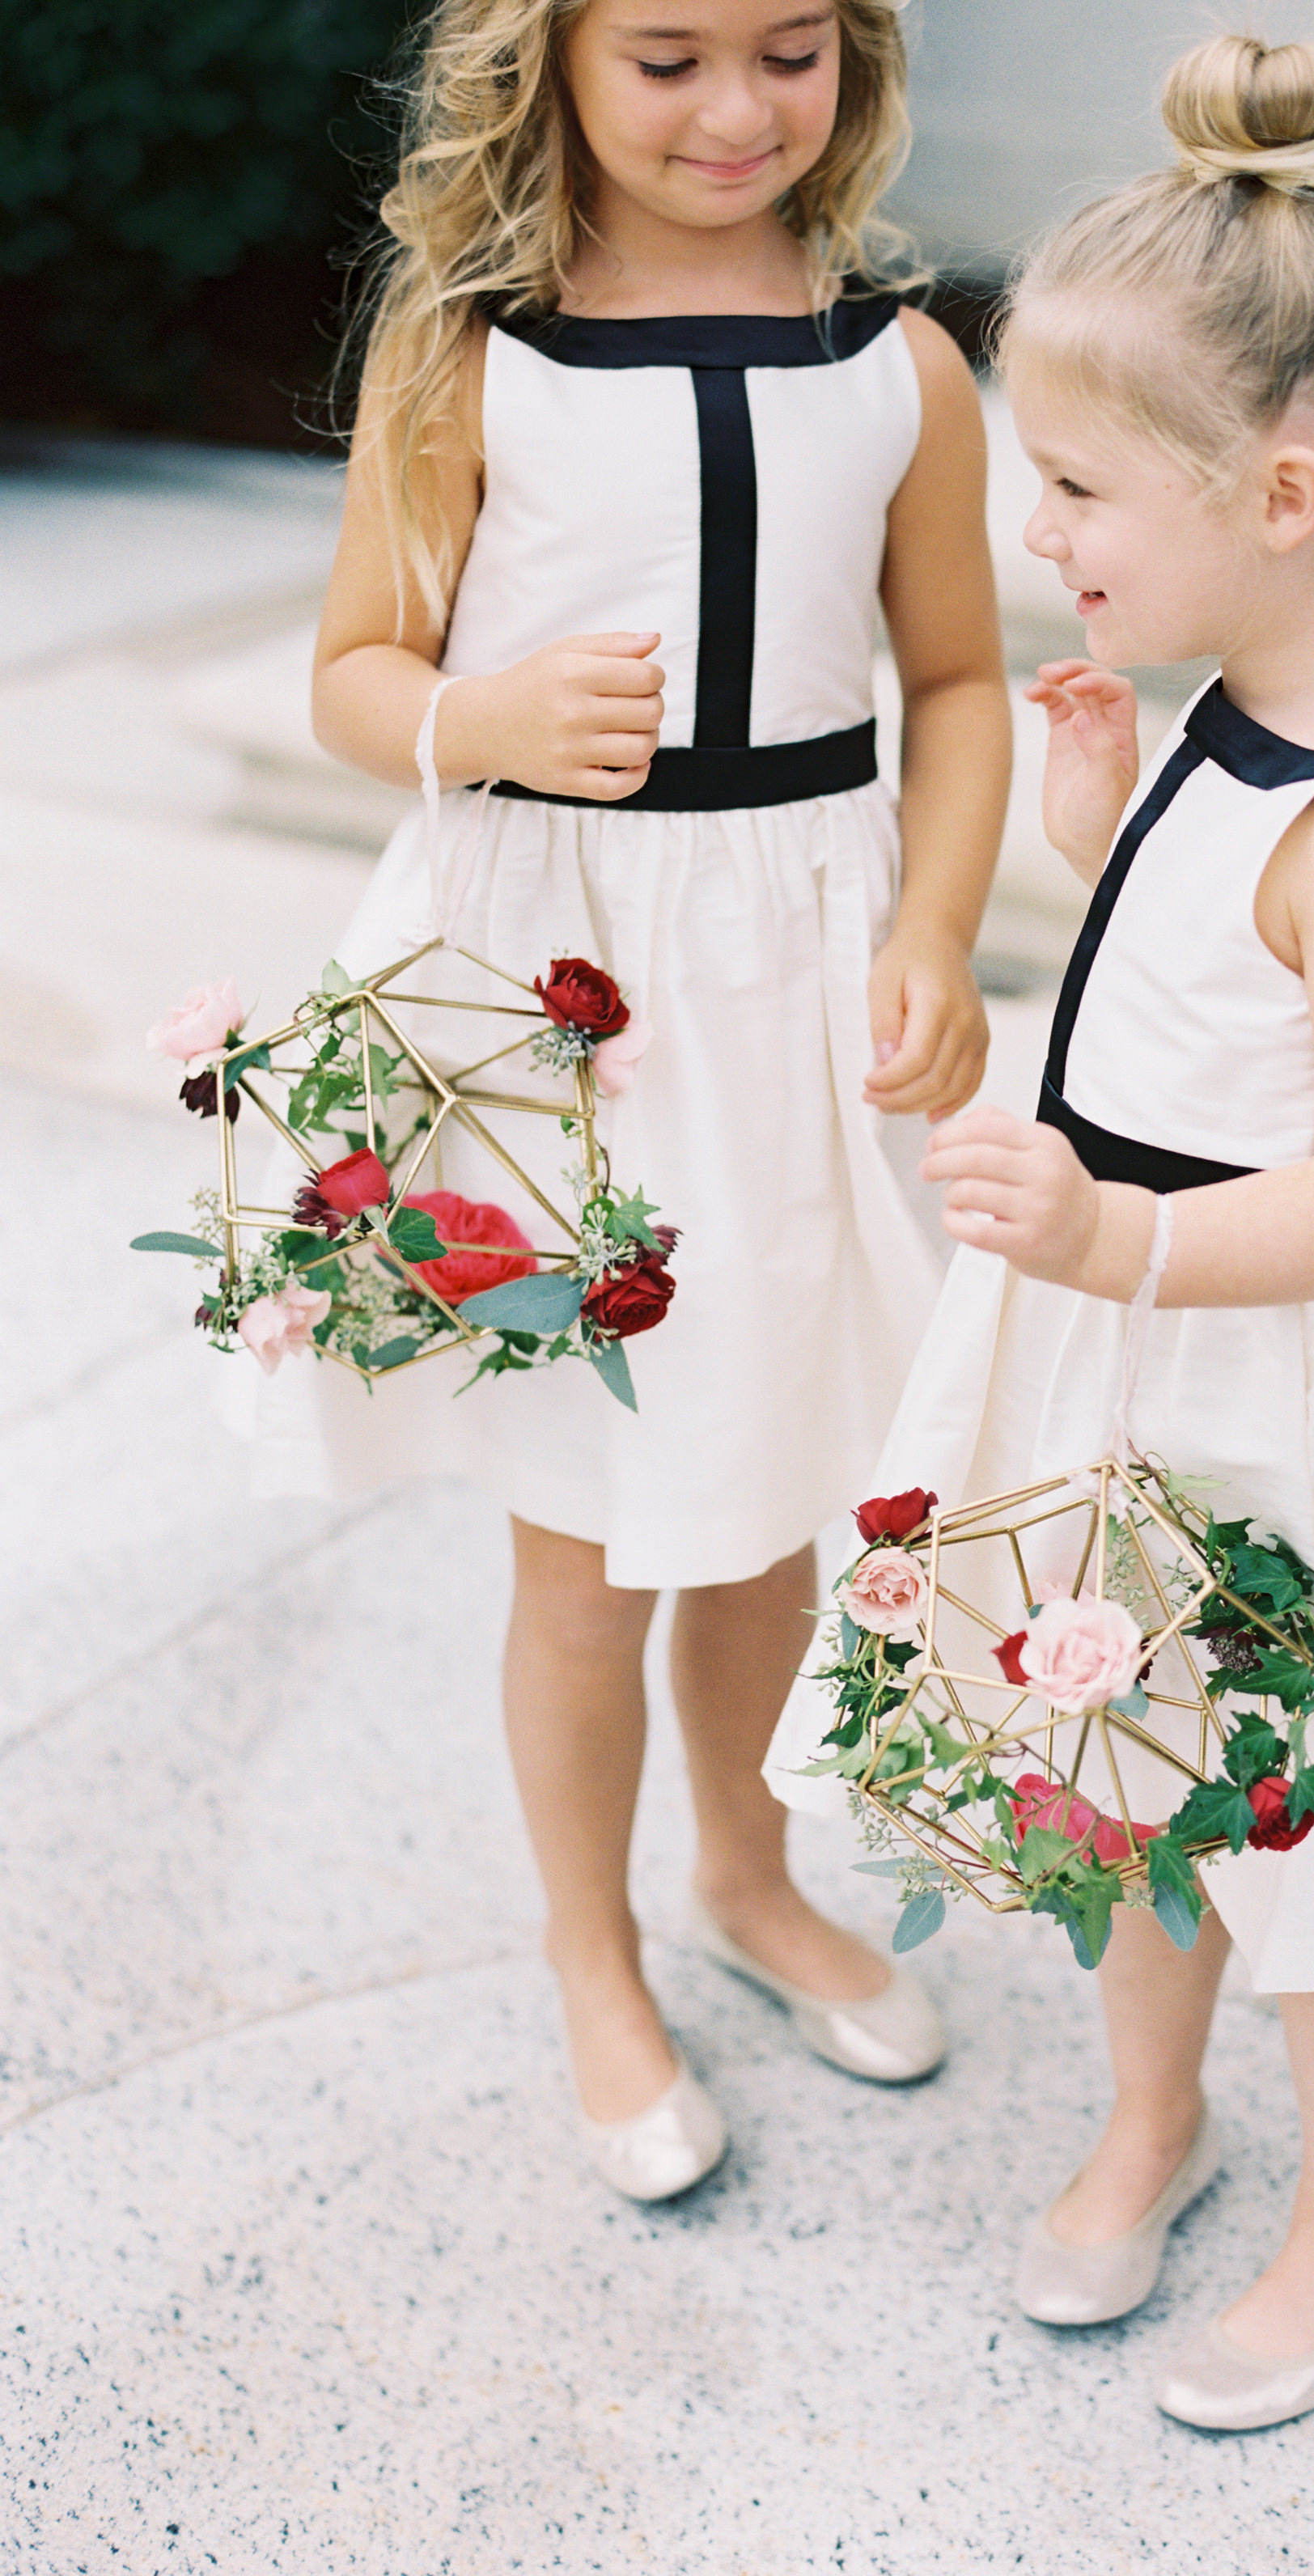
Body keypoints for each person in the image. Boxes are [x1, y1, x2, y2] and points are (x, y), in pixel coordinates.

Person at [771, 33, 1314, 2426]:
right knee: (1125, 1763)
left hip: (1284, 1382)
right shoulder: (1241, 707)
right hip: (1139, 1349)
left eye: (1073, 486)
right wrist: (1096, 826)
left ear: (1280, 484)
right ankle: (1151, 2112)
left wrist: (1106, 1240)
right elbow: (1202, 1009)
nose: (1042, 531)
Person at [261, 0, 1010, 2202]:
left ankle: (746, 1875)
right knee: (585, 1533)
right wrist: (475, 709)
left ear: (855, 61)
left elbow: (954, 681)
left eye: (788, 54)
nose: (733, 111)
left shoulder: (903, 369)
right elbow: (350, 672)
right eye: (669, 55)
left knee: (772, 1485)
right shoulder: (473, 350)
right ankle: (592, 1950)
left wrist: (943, 931)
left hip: (791, 978)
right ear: (557, 58)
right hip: (559, 1000)